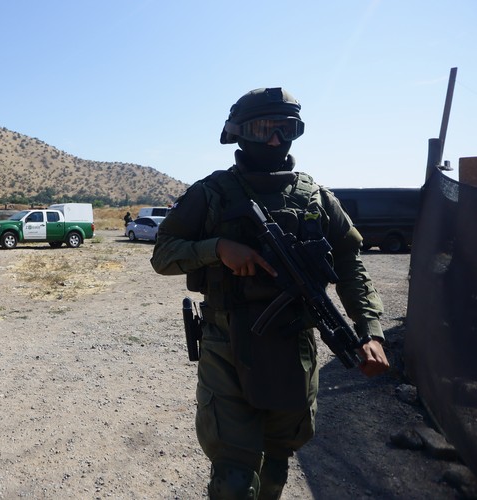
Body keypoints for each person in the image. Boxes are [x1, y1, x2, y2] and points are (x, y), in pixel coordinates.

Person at [150, 87, 389, 499]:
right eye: (264, 129)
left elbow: (351, 266)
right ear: (239, 133)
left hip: (294, 348)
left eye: (286, 129)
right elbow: (163, 255)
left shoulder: (315, 198)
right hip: (227, 344)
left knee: (276, 463)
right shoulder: (211, 193)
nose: (276, 141)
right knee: (234, 479)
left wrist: (370, 330)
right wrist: (217, 249)